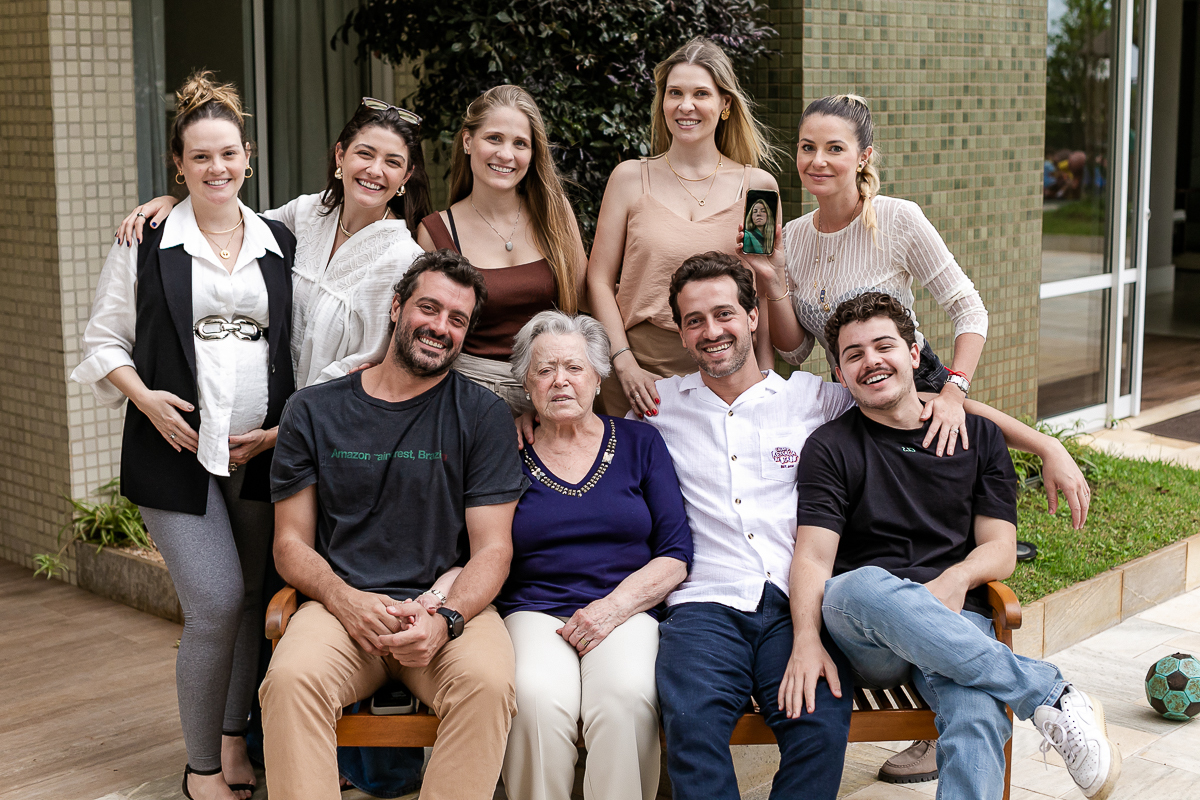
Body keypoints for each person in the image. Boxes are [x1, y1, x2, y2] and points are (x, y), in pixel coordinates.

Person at [640, 253, 1089, 800]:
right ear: (681, 334)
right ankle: (1046, 690)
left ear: (753, 317)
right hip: (715, 603)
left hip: (795, 603)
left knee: (908, 714)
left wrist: (1041, 440)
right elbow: (576, 418)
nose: (712, 331)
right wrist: (519, 418)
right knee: (692, 719)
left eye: (725, 314)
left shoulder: (811, 398)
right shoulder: (655, 407)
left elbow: (916, 401)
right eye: (694, 320)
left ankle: (1050, 700)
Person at [788, 292, 1119, 800]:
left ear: (914, 354)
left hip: (955, 620)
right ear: (840, 371)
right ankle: (1051, 693)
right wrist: (807, 637)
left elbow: (1001, 548)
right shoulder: (830, 447)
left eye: (884, 346)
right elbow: (813, 558)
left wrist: (956, 578)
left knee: (977, 710)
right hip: (868, 640)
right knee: (855, 586)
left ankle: (1042, 699)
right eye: (853, 355)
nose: (870, 361)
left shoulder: (979, 436)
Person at [71, 72, 296, 800]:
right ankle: (201, 772)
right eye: (200, 158)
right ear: (178, 164)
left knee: (254, 592)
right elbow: (104, 341)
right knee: (215, 601)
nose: (217, 168)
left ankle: (234, 744)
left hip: (260, 456)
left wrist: (277, 433)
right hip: (176, 455)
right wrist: (149, 404)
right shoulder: (147, 241)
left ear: (249, 156)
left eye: (227, 154)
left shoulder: (282, 242)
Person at [260, 250, 527, 800]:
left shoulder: (483, 414)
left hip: (442, 605)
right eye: (429, 308)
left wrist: (447, 619)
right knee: (289, 682)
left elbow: (493, 550)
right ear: (396, 307)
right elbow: (289, 544)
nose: (440, 327)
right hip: (342, 611)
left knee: (487, 684)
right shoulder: (312, 411)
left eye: (457, 319)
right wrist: (344, 599)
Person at [493, 310, 691, 800]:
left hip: (625, 607)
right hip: (532, 609)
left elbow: (675, 553)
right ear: (526, 382)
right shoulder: (504, 450)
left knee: (626, 697)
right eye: (544, 370)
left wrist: (614, 608)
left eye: (575, 368)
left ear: (599, 377)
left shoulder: (641, 443)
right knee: (536, 701)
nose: (560, 380)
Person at [117, 98, 430, 388]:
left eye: (392, 162)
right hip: (265, 421)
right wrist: (176, 203)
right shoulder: (307, 214)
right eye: (365, 153)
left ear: (406, 175)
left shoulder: (404, 260)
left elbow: (369, 367)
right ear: (340, 155)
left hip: (330, 430)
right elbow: (230, 222)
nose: (375, 170)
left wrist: (287, 429)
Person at [745, 93, 988, 457]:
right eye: (808, 147)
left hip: (916, 391)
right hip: (850, 396)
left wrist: (954, 393)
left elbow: (970, 310)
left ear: (863, 157)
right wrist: (773, 280)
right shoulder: (791, 236)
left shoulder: (898, 219)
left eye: (835, 149)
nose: (818, 161)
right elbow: (796, 351)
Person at [588, 37, 780, 418]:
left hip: (724, 367)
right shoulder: (628, 179)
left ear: (725, 104)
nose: (685, 105)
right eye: (675, 92)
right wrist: (623, 362)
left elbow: (762, 284)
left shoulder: (758, 187)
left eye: (701, 94)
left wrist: (765, 367)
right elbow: (597, 279)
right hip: (639, 372)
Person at [416, 85, 587, 413]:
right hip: (467, 399)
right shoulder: (435, 231)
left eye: (520, 143)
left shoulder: (555, 214)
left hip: (552, 393)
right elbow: (426, 332)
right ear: (468, 141)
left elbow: (586, 298)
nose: (506, 155)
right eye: (494, 138)